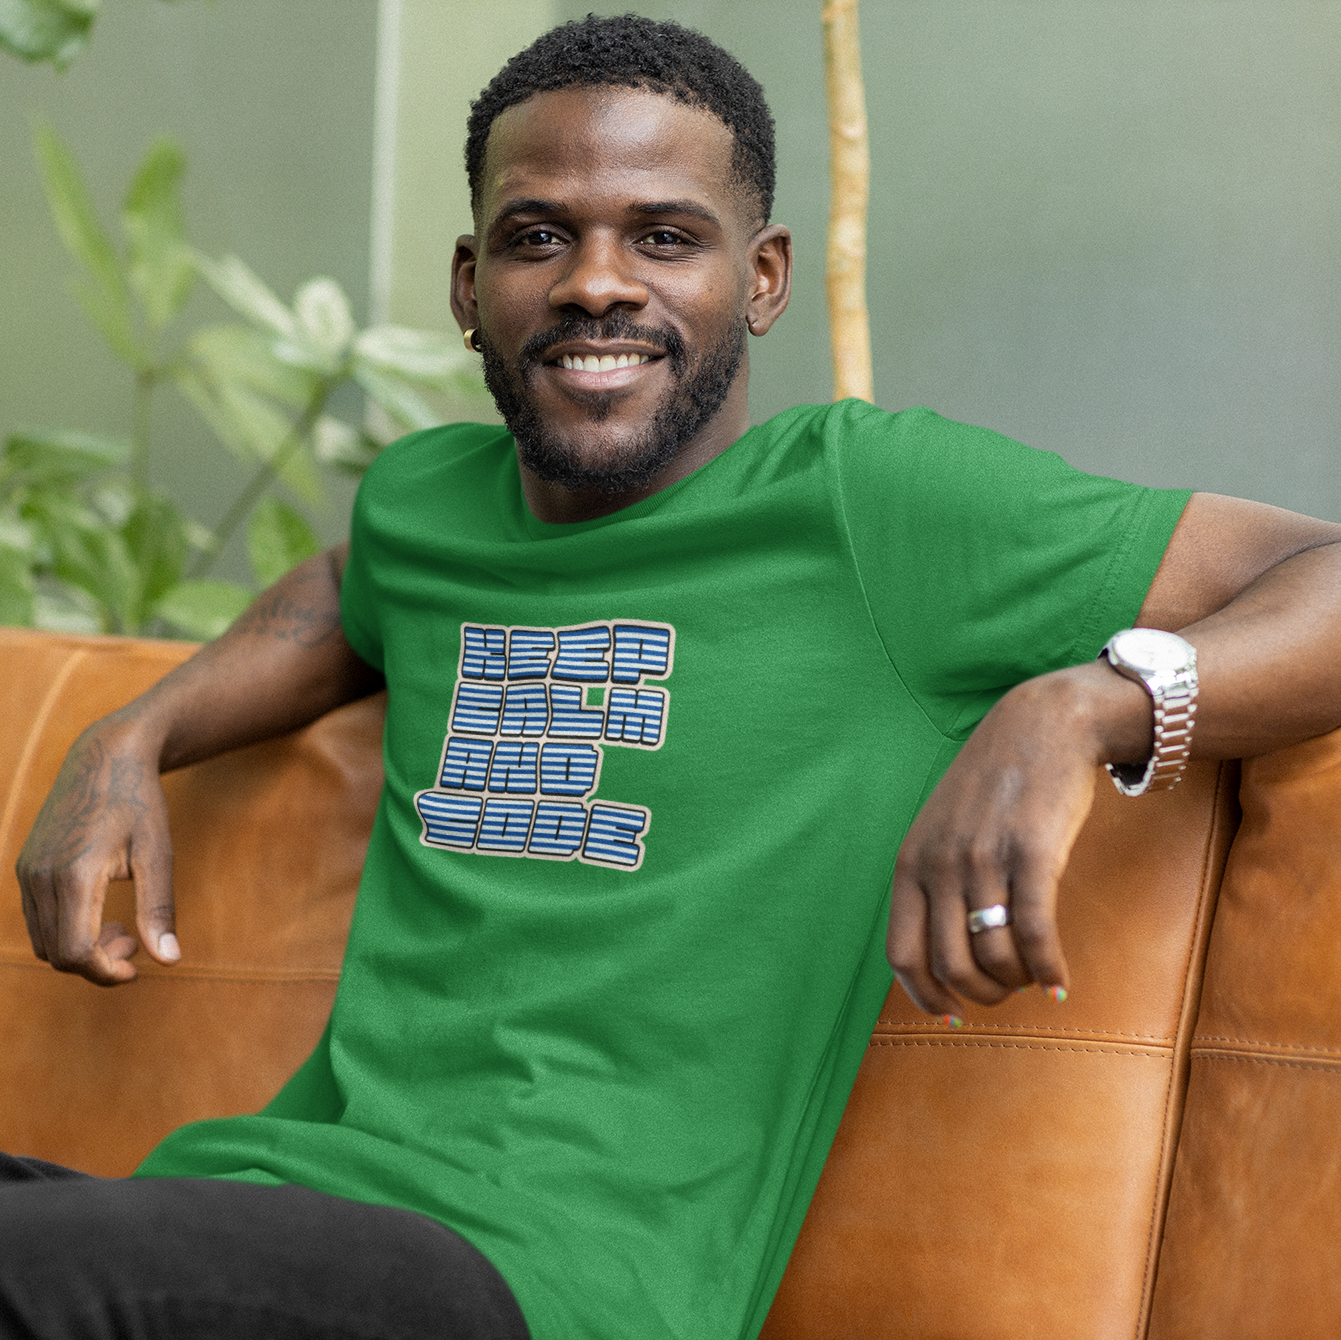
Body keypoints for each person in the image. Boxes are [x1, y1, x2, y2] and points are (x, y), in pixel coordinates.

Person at [8, 13, 1341, 1340]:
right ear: (470, 286)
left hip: (538, 1281)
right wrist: (130, 738)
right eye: (541, 235)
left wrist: (1082, 702)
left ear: (760, 279)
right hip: (265, 1203)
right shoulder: (430, 501)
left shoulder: (870, 503)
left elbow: (1321, 570)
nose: (598, 281)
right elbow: (344, 595)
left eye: (662, 235)